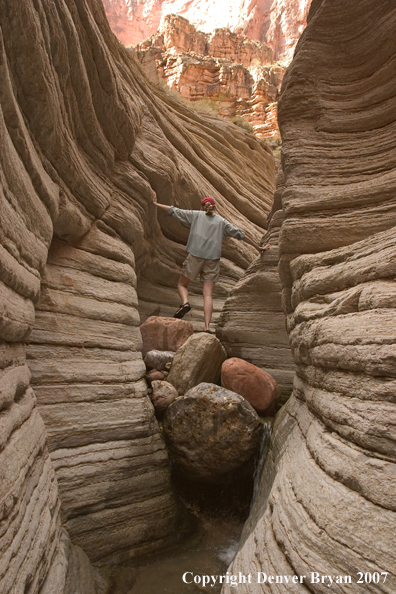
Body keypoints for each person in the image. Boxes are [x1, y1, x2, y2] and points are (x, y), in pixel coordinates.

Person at [153, 194, 270, 332]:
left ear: (203, 207)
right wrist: (259, 248)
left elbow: (174, 210)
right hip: (212, 260)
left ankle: (185, 303)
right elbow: (240, 234)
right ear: (215, 207)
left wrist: (155, 203)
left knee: (182, 284)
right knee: (207, 294)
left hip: (195, 256)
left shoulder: (195, 215)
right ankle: (207, 327)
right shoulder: (221, 222)